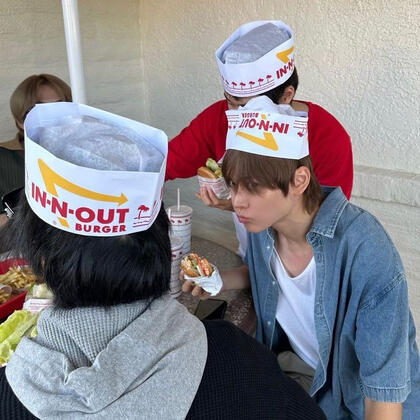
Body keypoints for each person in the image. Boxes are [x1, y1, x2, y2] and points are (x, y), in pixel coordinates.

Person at [0, 102, 325, 420]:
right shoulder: (239, 358)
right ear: (162, 243)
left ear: (40, 262)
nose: (239, 202)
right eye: (234, 186)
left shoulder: (9, 395)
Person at [182, 96, 420, 419]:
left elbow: (383, 397)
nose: (237, 202)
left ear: (299, 180)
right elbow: (266, 274)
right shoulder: (264, 227)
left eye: (253, 187)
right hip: (303, 380)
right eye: (234, 185)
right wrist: (216, 280)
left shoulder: (365, 249)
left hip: (355, 402)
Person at [165, 21, 353, 258]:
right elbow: (166, 163)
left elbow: (327, 220)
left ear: (286, 96)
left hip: (314, 263)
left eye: (247, 106)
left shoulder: (328, 136)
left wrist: (237, 204)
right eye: (231, 102)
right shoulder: (219, 119)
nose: (238, 116)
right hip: (251, 261)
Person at [0, 74, 72, 226]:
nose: (52, 119)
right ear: (20, 120)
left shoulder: (92, 157)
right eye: (39, 111)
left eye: (60, 108)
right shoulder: (4, 158)